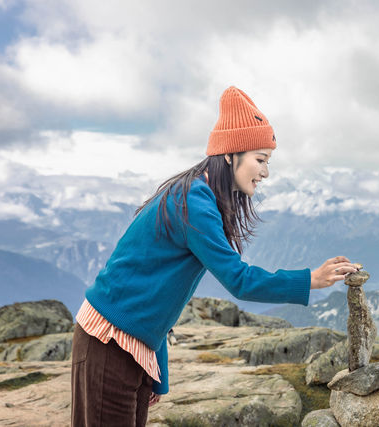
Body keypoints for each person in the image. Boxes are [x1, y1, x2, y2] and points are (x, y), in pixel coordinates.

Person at [70, 86, 359, 426]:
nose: (265, 173)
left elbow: (155, 295)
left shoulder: (199, 196)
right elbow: (238, 280)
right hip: (109, 343)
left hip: (130, 349)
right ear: (230, 155)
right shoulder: (193, 201)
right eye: (260, 160)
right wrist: (310, 279)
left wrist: (156, 369)